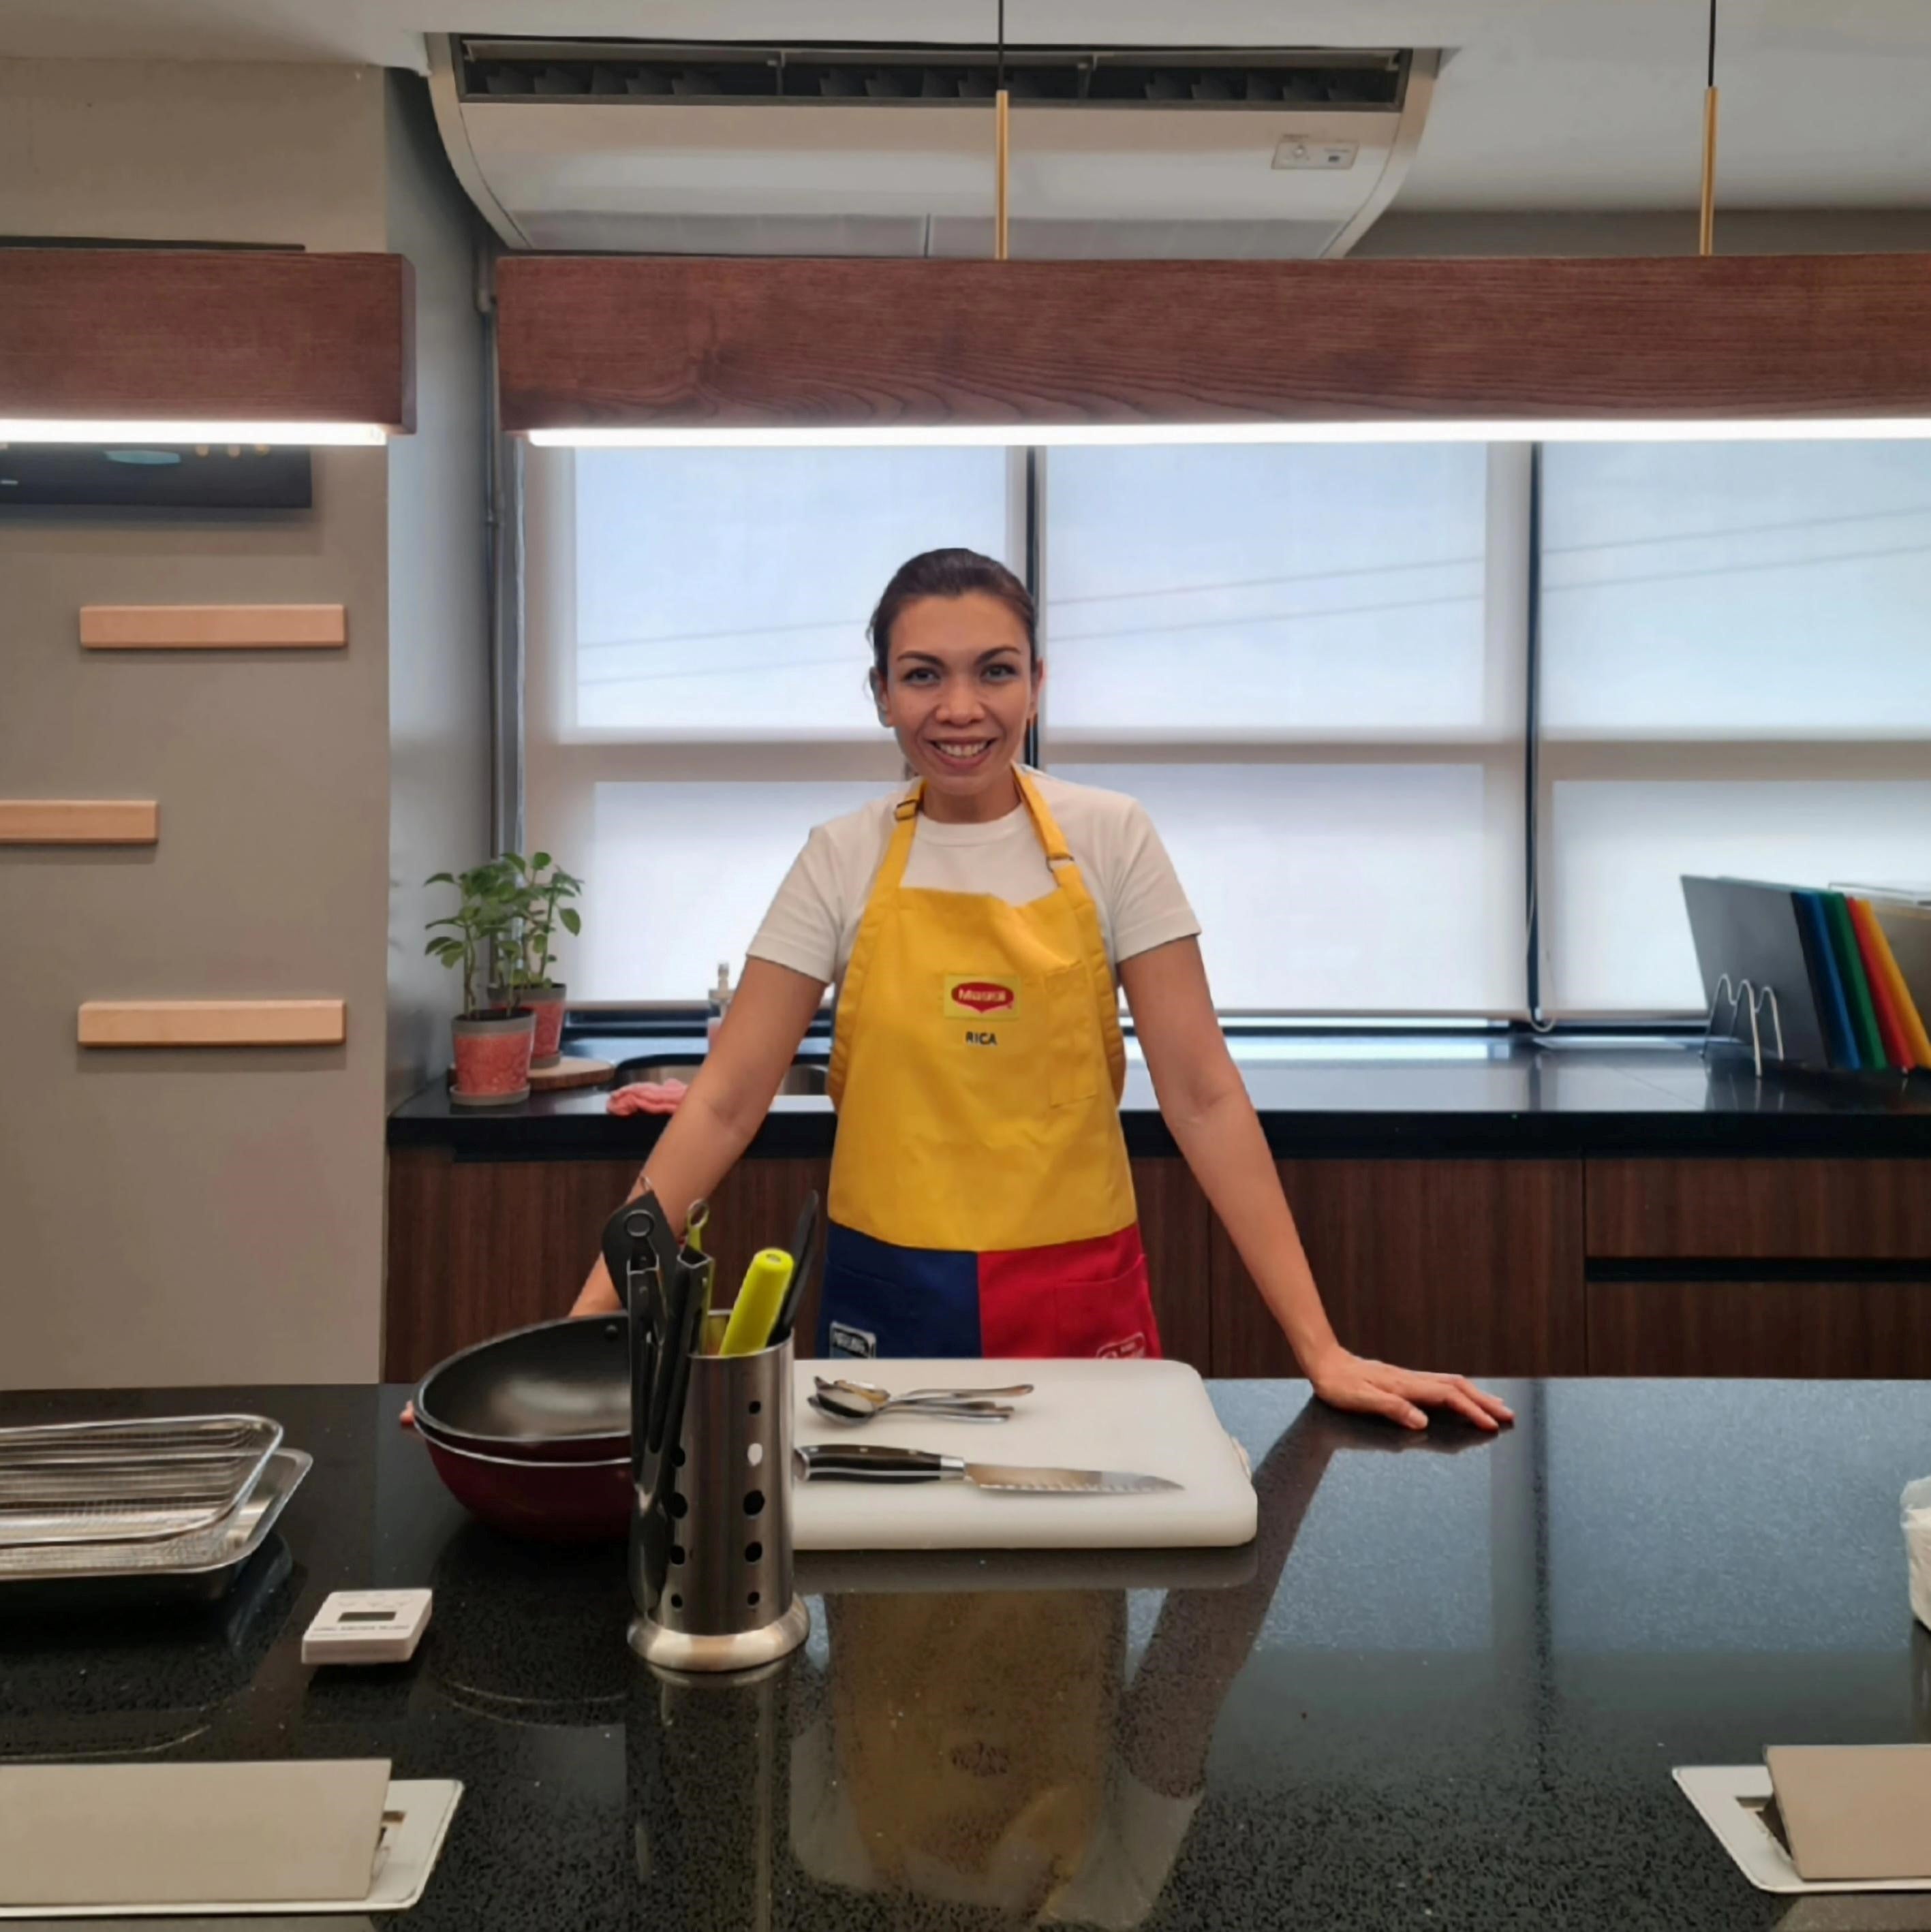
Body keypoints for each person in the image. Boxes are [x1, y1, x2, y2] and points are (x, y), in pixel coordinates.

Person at [574, 548, 1511, 1433]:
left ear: (1035, 682)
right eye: (922, 675)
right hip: (888, 1300)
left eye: (994, 671)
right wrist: (584, 1341)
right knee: (888, 1583)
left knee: (1082, 1585)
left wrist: (1323, 1349)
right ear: (880, 697)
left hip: (1076, 1292)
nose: (960, 708)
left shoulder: (1112, 836)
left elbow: (1203, 1094)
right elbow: (725, 1105)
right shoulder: (840, 856)